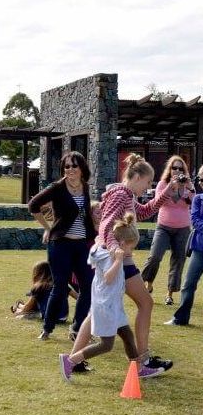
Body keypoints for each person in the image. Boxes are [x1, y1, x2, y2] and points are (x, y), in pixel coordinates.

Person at [70, 153, 179, 378]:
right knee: (146, 303)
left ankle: (73, 360)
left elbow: (145, 211)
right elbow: (107, 224)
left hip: (116, 260)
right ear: (137, 176)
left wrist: (166, 192)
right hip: (118, 261)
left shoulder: (126, 195)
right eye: (148, 182)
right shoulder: (121, 195)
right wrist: (115, 249)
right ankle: (144, 359)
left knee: (95, 314)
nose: (149, 187)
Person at [58, 214, 161, 381]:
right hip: (106, 306)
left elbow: (95, 251)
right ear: (121, 244)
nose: (131, 252)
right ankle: (70, 361)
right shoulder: (110, 256)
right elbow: (108, 277)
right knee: (106, 345)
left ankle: (137, 369)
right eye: (130, 248)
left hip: (113, 304)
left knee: (127, 336)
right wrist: (118, 260)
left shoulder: (102, 248)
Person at [28, 151, 96, 341]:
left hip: (82, 245)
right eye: (67, 166)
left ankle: (76, 329)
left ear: (82, 168)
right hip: (61, 244)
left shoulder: (85, 187)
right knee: (59, 286)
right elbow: (33, 205)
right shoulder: (57, 187)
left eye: (74, 165)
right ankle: (47, 328)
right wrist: (48, 228)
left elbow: (85, 215)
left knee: (88, 286)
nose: (70, 169)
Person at [141, 155, 195, 305]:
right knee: (154, 256)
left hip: (183, 227)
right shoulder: (162, 184)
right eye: (174, 168)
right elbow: (159, 202)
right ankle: (148, 282)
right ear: (169, 170)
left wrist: (190, 187)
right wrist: (172, 187)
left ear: (184, 170)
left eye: (180, 168)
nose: (177, 171)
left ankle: (169, 294)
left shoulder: (188, 185)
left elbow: (193, 202)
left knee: (178, 260)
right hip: (164, 226)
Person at [165, 166, 203, 326]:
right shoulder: (198, 199)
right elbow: (194, 219)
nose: (201, 182)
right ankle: (180, 319)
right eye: (200, 179)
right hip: (199, 249)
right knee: (188, 284)